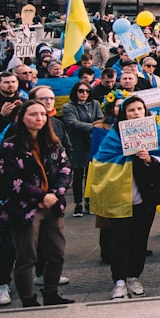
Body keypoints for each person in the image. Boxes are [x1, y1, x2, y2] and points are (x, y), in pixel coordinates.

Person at [88, 96, 160, 299]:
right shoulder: (114, 134)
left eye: (139, 109)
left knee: (140, 239)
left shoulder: (155, 131)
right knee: (120, 240)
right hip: (120, 195)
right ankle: (119, 280)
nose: (136, 113)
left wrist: (150, 159)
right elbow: (101, 161)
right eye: (131, 110)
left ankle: (134, 276)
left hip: (145, 196)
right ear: (123, 113)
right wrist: (126, 158)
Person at [0, 100, 73, 307]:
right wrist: (40, 197)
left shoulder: (53, 143)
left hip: (53, 205)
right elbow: (10, 179)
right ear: (22, 118)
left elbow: (65, 170)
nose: (39, 118)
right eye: (33, 114)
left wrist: (55, 194)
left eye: (42, 114)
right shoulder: (10, 146)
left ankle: (51, 292)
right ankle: (28, 298)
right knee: (26, 256)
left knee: (56, 252)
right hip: (25, 208)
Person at [62, 81, 104, 218]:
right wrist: (93, 126)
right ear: (75, 92)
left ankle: (89, 201)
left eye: (87, 91)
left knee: (91, 174)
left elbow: (101, 119)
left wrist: (95, 125)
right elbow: (72, 123)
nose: (84, 93)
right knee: (78, 174)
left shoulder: (95, 104)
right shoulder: (68, 107)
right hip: (77, 144)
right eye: (81, 91)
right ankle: (78, 203)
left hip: (93, 143)